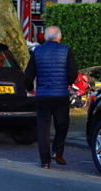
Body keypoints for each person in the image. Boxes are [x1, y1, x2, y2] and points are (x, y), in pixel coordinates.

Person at [24, 25, 78, 169]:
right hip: (60, 95)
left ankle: (45, 161)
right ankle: (57, 151)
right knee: (62, 124)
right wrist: (67, 83)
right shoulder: (66, 50)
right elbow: (73, 73)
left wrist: (29, 88)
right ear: (59, 37)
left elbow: (29, 74)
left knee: (43, 128)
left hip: (42, 95)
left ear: (45, 37)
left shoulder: (37, 51)